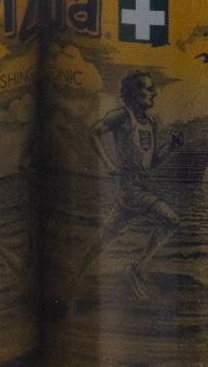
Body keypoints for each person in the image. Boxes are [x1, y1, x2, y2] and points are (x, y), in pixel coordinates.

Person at [70, 71, 182, 302]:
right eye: (148, 89)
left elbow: (151, 163)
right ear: (133, 93)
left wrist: (170, 147)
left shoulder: (151, 123)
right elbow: (94, 132)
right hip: (131, 190)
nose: (154, 93)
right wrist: (108, 163)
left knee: (105, 237)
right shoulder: (122, 116)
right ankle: (137, 268)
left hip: (138, 189)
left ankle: (75, 276)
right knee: (171, 220)